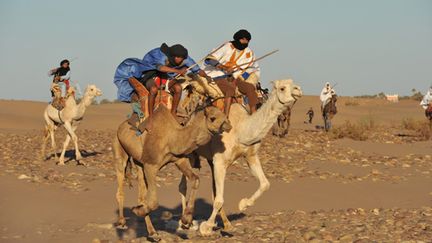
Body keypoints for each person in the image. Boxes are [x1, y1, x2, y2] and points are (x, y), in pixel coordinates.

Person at [114, 43, 213, 119]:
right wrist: (178, 71)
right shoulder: (159, 54)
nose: (183, 61)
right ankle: (151, 115)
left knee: (178, 88)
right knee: (153, 89)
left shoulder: (185, 59)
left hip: (168, 77)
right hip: (150, 74)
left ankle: (173, 112)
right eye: (181, 59)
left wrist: (207, 76)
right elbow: (160, 68)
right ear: (176, 57)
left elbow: (197, 70)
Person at [202, 29, 260, 114]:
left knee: (250, 88)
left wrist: (237, 76)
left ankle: (254, 114)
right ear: (237, 39)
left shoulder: (249, 53)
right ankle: (226, 116)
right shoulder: (226, 46)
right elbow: (210, 59)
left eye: (247, 40)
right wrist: (223, 68)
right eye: (243, 39)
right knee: (230, 90)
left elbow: (252, 68)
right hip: (218, 74)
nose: (245, 42)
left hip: (236, 76)